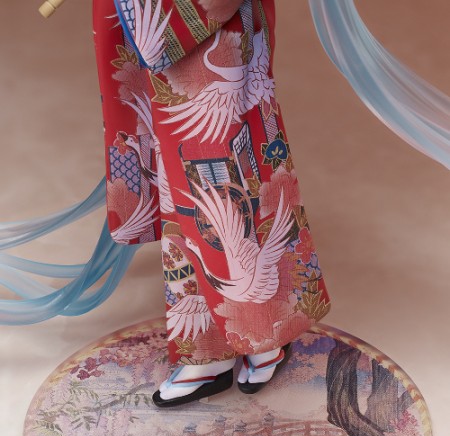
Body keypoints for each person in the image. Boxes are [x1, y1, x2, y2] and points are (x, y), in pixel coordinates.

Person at [1, 0, 448, 403]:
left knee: (222, 177)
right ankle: (206, 349)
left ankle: (263, 333)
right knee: (181, 184)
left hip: (215, 30)